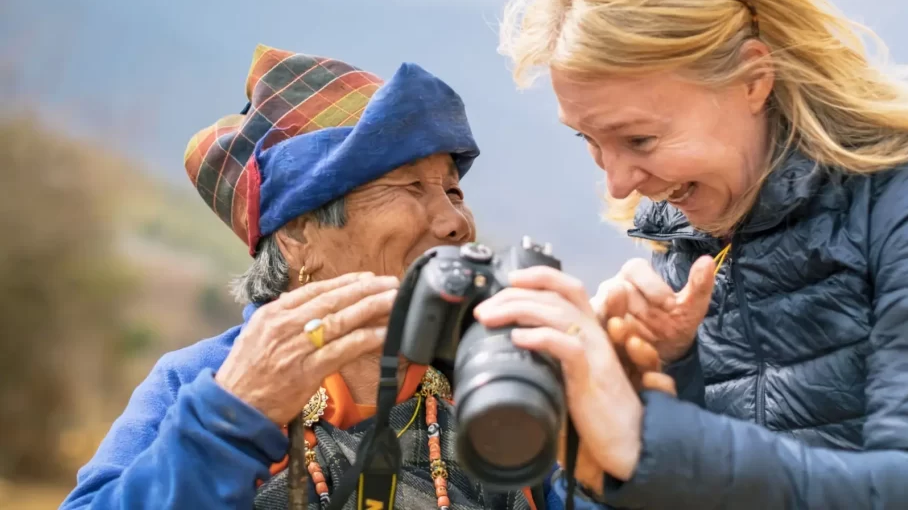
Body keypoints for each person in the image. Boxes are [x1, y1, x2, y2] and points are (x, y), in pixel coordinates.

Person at [478, 0, 908, 508]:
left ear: (753, 80)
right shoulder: (692, 234)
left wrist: (642, 437)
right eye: (589, 140)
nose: (618, 183)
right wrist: (666, 368)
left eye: (639, 140)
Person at [61, 45, 554, 510]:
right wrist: (231, 419)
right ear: (298, 230)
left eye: (453, 191)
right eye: (410, 185)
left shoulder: (495, 377)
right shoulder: (204, 383)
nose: (456, 222)